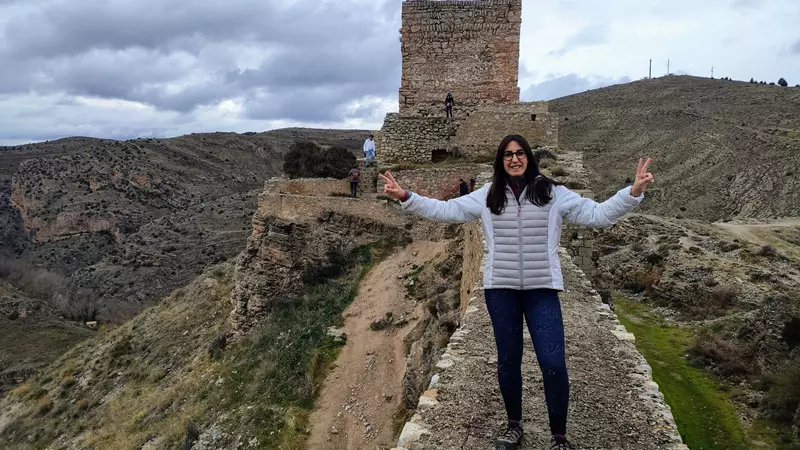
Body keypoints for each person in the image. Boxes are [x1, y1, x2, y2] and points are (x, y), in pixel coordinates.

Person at [379, 135, 654, 450]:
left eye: (520, 153)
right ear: (501, 160)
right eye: (508, 154)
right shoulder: (488, 195)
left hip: (541, 290)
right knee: (508, 362)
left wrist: (632, 193)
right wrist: (407, 197)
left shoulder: (553, 193)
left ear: (529, 157)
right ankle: (514, 425)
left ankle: (559, 437)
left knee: (553, 363)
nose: (514, 159)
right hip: (501, 291)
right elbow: (447, 210)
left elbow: (597, 215)